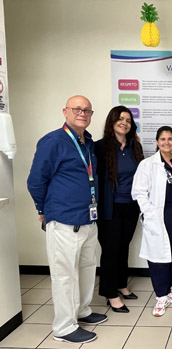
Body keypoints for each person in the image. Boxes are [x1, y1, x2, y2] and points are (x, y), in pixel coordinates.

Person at [27, 95, 107, 344]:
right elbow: (36, 181)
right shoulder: (53, 141)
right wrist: (43, 209)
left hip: (87, 219)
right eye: (77, 109)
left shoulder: (88, 142)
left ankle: (81, 311)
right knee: (64, 276)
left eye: (87, 110)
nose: (82, 113)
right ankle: (64, 327)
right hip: (63, 221)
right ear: (65, 112)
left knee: (85, 270)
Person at [132, 126, 172, 317]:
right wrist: (149, 213)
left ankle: (168, 290)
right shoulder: (148, 164)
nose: (166, 142)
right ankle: (160, 297)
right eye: (163, 139)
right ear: (157, 142)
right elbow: (138, 192)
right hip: (160, 214)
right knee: (158, 255)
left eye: (170, 139)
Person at [95, 106, 144, 313]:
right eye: (120, 119)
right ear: (112, 121)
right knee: (111, 249)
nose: (124, 122)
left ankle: (121, 285)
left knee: (124, 246)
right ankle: (110, 293)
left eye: (128, 120)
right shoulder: (100, 147)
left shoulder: (135, 146)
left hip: (131, 206)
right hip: (110, 207)